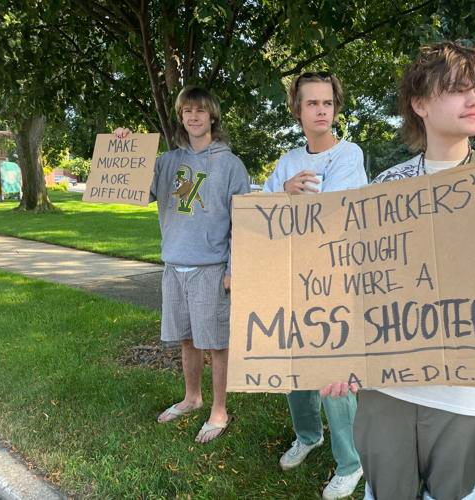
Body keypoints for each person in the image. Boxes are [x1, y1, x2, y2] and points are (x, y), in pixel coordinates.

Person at [321, 42, 475, 500]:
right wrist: (347, 359)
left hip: (467, 392)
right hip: (389, 389)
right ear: (419, 103)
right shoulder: (387, 188)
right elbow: (367, 290)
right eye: (459, 89)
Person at [115, 85, 250, 443]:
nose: (193, 117)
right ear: (181, 117)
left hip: (211, 268)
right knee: (188, 339)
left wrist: (233, 270)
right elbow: (133, 191)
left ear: (212, 117)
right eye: (187, 111)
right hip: (175, 266)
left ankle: (219, 409)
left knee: (216, 342)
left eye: (200, 111)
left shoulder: (231, 166)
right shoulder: (166, 163)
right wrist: (124, 146)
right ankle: (192, 397)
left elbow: (244, 224)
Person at [263, 72, 367, 499]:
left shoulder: (349, 154)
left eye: (327, 103)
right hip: (292, 277)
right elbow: (262, 214)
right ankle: (308, 436)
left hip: (335, 279)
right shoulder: (287, 161)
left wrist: (290, 201)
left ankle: (351, 461)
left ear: (335, 108)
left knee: (333, 373)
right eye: (312, 104)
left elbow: (338, 210)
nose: (321, 110)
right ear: (298, 110)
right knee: (295, 367)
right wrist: (282, 194)